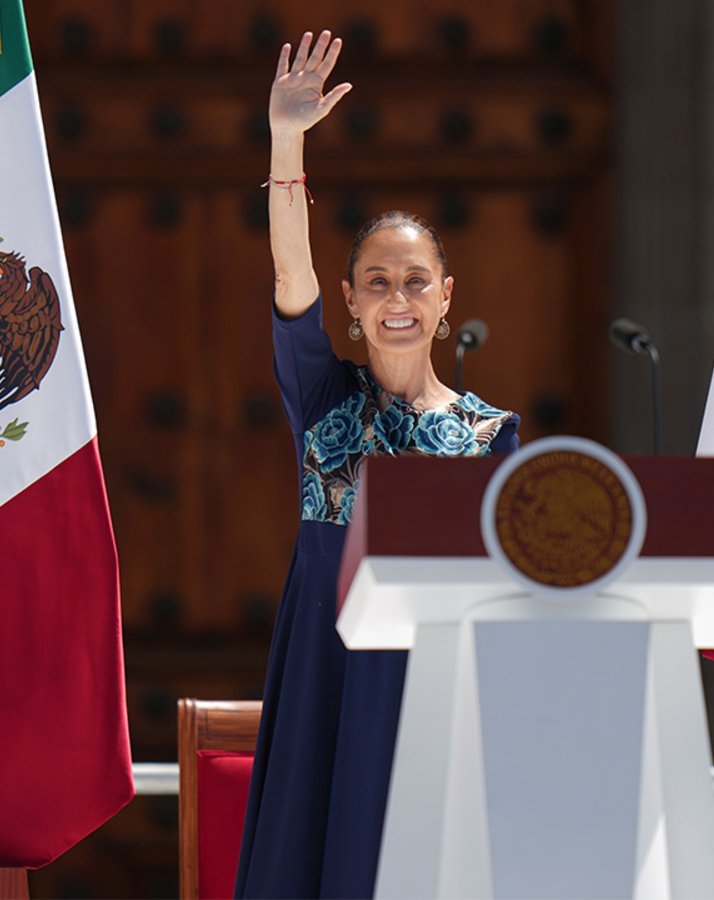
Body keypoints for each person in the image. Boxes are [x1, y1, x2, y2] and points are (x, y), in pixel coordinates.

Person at [234, 30, 521, 900]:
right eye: (378, 283)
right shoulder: (322, 398)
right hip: (328, 668)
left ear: (445, 300)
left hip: (434, 690)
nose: (398, 299)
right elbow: (291, 269)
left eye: (416, 282)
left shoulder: (489, 436)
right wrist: (289, 141)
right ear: (352, 303)